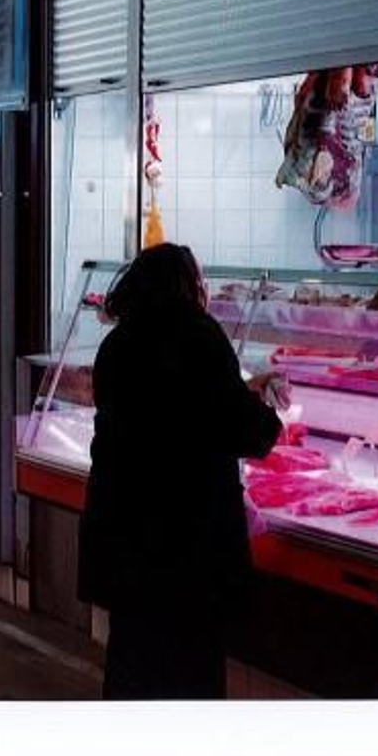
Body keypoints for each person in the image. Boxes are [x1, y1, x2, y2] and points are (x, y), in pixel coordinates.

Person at [77, 243, 282, 700]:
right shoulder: (198, 333)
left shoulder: (118, 342)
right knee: (193, 670)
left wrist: (243, 389)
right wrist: (263, 412)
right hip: (187, 541)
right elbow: (239, 428)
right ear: (189, 285)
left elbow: (169, 404)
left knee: (131, 660)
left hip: (127, 529)